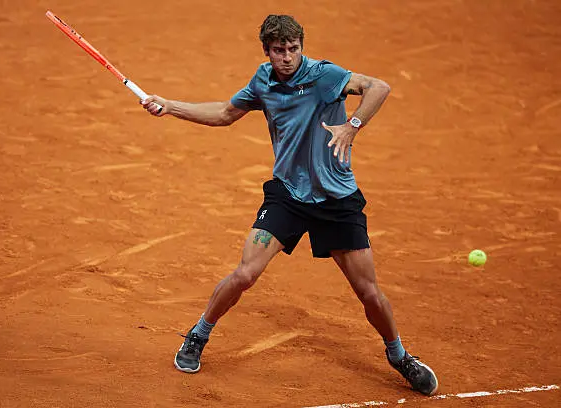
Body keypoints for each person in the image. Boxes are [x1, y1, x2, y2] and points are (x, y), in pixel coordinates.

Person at [142, 14, 438, 396]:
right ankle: (198, 334)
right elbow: (225, 113)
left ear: (301, 47)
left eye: (293, 49)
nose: (287, 57)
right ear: (267, 51)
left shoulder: (324, 76)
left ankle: (399, 355)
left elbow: (377, 87)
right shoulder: (262, 81)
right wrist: (170, 106)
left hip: (337, 199)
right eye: (279, 50)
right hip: (288, 195)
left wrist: (352, 126)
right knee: (245, 273)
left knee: (368, 291)